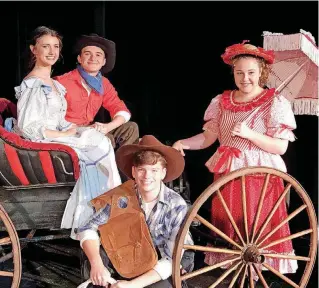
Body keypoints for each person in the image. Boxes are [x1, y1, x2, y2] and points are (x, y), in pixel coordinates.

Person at [172, 41, 298, 275]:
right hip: (228, 171)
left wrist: (251, 134)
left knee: (253, 230)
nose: (245, 78)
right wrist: (184, 144)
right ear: (233, 72)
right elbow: (209, 137)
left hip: (259, 173)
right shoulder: (222, 101)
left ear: (262, 72)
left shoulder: (275, 103)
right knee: (232, 231)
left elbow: (280, 146)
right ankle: (238, 274)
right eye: (239, 73)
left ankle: (255, 274)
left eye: (251, 72)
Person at [14, 26, 122, 239]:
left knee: (98, 139)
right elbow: (28, 127)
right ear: (33, 50)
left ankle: (108, 204)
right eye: (45, 46)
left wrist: (73, 129)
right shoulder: (34, 84)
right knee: (98, 144)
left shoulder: (52, 83)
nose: (52, 51)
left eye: (56, 47)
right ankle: (103, 210)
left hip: (55, 135)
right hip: (41, 143)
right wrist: (64, 134)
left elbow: (55, 119)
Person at [76, 135, 194, 288]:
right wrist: (97, 264)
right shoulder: (121, 196)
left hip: (164, 262)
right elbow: (87, 229)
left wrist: (132, 285)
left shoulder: (175, 205)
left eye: (154, 170)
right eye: (141, 170)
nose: (147, 176)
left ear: (163, 173)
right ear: (133, 171)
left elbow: (172, 259)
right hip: (129, 257)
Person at [55, 33, 139, 150]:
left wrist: (108, 127)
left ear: (104, 61)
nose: (93, 58)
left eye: (98, 55)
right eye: (87, 54)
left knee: (130, 128)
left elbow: (119, 108)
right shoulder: (61, 82)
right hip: (69, 131)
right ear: (79, 58)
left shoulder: (103, 83)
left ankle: (122, 167)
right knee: (105, 139)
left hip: (90, 128)